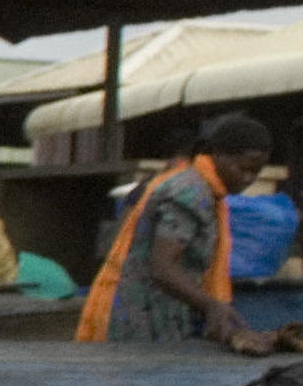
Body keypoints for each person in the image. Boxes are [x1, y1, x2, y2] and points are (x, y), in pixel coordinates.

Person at [80, 113, 280, 351]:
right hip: (142, 318)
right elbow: (162, 267)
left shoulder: (208, 192)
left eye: (255, 173)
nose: (248, 179)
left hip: (164, 315)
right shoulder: (190, 193)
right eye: (243, 169)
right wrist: (211, 305)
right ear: (216, 155)